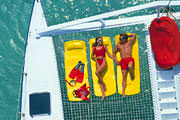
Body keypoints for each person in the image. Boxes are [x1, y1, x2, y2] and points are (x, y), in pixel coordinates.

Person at [91, 36, 114, 101]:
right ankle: (103, 94)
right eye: (100, 40)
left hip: (103, 62)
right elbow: (92, 57)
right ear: (97, 41)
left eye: (101, 40)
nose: (101, 41)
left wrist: (114, 59)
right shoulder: (94, 48)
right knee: (99, 79)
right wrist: (97, 58)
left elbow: (109, 54)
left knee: (96, 73)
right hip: (98, 62)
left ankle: (104, 84)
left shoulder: (104, 47)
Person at [113, 33, 136, 98]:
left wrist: (127, 36)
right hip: (122, 61)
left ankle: (132, 74)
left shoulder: (129, 43)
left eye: (121, 38)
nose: (119, 39)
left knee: (130, 66)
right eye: (119, 38)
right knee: (124, 77)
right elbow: (114, 52)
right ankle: (123, 93)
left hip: (129, 59)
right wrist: (116, 60)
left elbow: (134, 35)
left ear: (125, 39)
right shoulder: (118, 45)